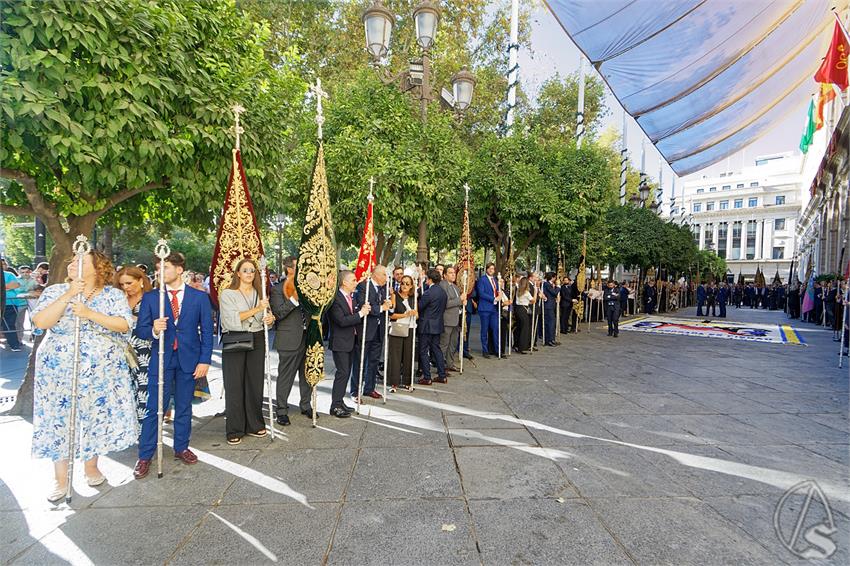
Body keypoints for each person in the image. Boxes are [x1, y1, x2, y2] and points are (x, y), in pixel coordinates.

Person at [31, 251, 137, 502]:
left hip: (100, 372)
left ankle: (91, 467)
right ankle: (60, 478)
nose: (72, 264)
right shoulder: (56, 291)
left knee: (93, 415)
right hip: (59, 370)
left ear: (97, 268)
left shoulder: (112, 295)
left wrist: (89, 313)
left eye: (79, 261)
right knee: (59, 418)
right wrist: (69, 295)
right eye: (71, 261)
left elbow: (123, 325)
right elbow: (41, 321)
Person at [133, 251, 213, 479]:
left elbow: (207, 331)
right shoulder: (151, 298)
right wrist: (154, 329)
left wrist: (205, 360)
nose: (160, 272)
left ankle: (181, 447)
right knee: (154, 408)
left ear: (179, 270)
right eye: (158, 268)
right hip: (161, 359)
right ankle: (145, 455)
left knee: (184, 406)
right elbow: (140, 330)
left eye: (165, 267)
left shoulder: (199, 298)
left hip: (189, 359)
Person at [219, 259, 276, 444]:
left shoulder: (260, 293)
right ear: (238, 273)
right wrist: (257, 309)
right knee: (234, 383)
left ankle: (254, 424)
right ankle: (234, 428)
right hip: (235, 338)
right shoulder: (228, 294)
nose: (249, 273)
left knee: (255, 382)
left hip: (257, 338)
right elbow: (230, 320)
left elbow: (266, 316)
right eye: (245, 270)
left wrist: (270, 318)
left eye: (252, 270)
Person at [269, 256, 314, 426]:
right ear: (289, 269)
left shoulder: (307, 286)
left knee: (306, 374)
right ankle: (281, 410)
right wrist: (294, 299)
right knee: (286, 376)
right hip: (289, 338)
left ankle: (306, 404)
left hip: (307, 336)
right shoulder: (278, 289)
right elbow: (278, 314)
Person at [328, 270, 371, 417]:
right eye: (353, 280)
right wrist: (360, 314)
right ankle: (335, 406)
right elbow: (341, 320)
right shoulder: (335, 299)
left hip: (351, 340)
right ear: (344, 282)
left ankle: (339, 402)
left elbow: (352, 315)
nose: (355, 283)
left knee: (346, 373)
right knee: (342, 373)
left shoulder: (351, 297)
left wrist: (362, 310)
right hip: (340, 342)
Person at [116, 266, 154, 424]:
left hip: (144, 351)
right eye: (122, 284)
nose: (126, 287)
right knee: (125, 391)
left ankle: (144, 432)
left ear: (141, 280)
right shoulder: (118, 300)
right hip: (120, 349)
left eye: (129, 283)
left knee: (144, 391)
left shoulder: (151, 299)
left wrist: (132, 320)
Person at [351, 265, 394, 401]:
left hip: (379, 330)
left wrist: (388, 305)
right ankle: (355, 391)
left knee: (374, 361)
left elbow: (386, 306)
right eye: (384, 275)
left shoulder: (384, 288)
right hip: (366, 329)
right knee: (360, 361)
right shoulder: (364, 286)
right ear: (376, 275)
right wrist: (382, 307)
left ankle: (369, 388)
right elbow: (364, 305)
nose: (386, 278)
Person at [417, 269, 448, 385]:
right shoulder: (443, 292)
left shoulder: (429, 293)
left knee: (424, 351)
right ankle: (442, 375)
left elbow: (419, 307)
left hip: (426, 325)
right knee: (436, 349)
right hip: (438, 324)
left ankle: (427, 377)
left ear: (430, 279)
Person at [387, 275, 417, 392]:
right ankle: (393, 383)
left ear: (411, 286)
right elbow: (391, 315)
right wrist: (406, 314)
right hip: (397, 327)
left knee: (408, 355)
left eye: (407, 284)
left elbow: (417, 314)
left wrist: (414, 313)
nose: (404, 286)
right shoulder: (395, 295)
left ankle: (407, 381)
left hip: (410, 327)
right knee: (395, 356)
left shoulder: (414, 297)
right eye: (403, 283)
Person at [438, 266, 464, 372]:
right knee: (444, 344)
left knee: (453, 344)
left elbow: (458, 302)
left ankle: (450, 363)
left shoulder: (455, 287)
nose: (453, 274)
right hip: (447, 320)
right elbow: (446, 303)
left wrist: (462, 302)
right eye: (450, 273)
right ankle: (441, 366)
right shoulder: (443, 286)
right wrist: (460, 299)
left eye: (454, 273)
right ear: (444, 275)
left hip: (456, 319)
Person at [475, 263, 503, 358]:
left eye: (493, 268)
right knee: (484, 330)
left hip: (494, 309)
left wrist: (501, 289)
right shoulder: (482, 280)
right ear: (486, 269)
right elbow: (481, 293)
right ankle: (485, 350)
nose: (491, 270)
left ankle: (497, 350)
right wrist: (494, 299)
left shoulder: (496, 280)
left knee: (496, 329)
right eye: (490, 268)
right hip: (485, 308)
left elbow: (498, 292)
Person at [2, 262, 22, 351]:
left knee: (10, 324)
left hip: (10, 303)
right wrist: (6, 287)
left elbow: (16, 285)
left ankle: (14, 345)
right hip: (8, 301)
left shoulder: (9, 274)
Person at [514, 276, 534, 353]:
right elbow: (533, 300)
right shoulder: (526, 292)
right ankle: (521, 347)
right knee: (524, 329)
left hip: (518, 309)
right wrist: (535, 292)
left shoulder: (518, 290)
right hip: (523, 309)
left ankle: (516, 344)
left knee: (519, 327)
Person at [541, 272, 559, 346]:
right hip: (548, 306)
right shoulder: (547, 284)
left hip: (551, 305)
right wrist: (558, 287)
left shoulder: (550, 284)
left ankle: (552, 339)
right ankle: (549, 340)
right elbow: (554, 292)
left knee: (552, 323)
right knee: (550, 323)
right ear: (552, 277)